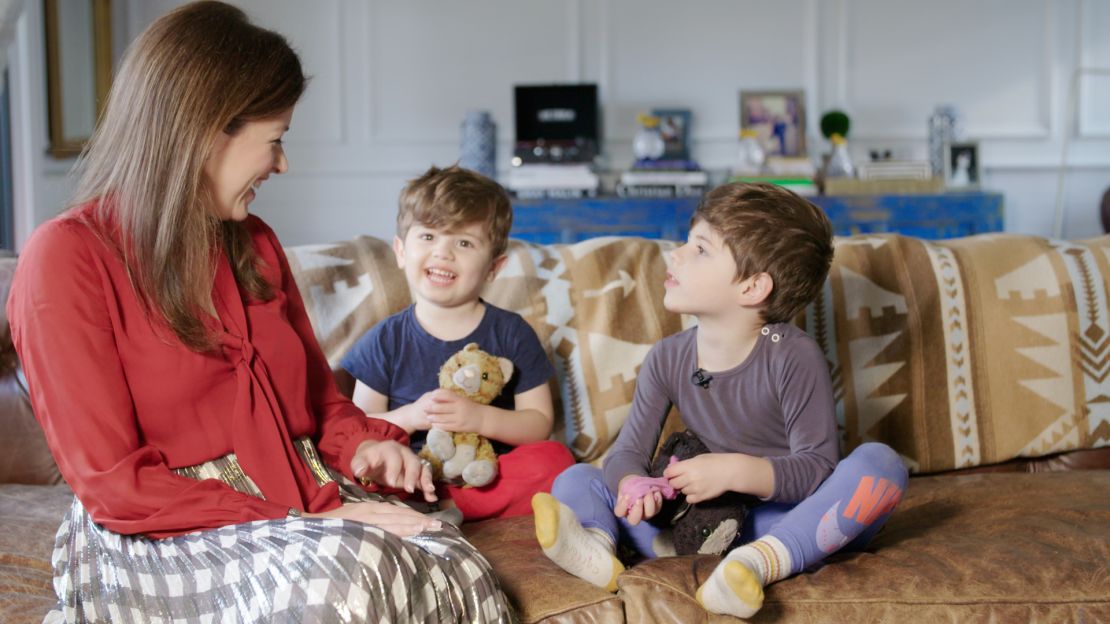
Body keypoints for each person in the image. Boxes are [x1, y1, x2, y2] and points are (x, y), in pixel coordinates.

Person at [7, 3, 511, 621]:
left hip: (297, 498)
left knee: (450, 557)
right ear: (206, 127)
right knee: (348, 575)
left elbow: (322, 405)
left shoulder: (255, 242)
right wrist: (310, 521)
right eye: (274, 140)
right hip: (159, 531)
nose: (281, 164)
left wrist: (362, 449)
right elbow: (116, 487)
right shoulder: (67, 258)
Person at [531, 182, 908, 618]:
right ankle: (596, 549)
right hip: (694, 521)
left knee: (881, 464)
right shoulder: (668, 356)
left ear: (751, 287)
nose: (676, 254)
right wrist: (634, 483)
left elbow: (816, 468)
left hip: (783, 521)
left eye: (701, 249)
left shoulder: (791, 354)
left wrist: (732, 470)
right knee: (577, 479)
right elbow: (629, 451)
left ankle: (757, 564)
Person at [343, 165, 575, 523]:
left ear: (494, 268)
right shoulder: (385, 339)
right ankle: (422, 510)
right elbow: (360, 428)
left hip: (485, 476)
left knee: (555, 460)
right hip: (410, 476)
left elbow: (538, 423)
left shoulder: (512, 332)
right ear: (401, 251)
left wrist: (480, 418)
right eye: (429, 237)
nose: (443, 253)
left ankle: (451, 511)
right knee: (362, 467)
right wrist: (410, 416)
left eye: (464, 243)